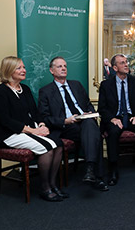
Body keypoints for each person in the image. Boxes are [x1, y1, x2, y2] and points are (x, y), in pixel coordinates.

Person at [0, 56, 67, 202]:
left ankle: (52, 184)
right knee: (47, 148)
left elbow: (36, 113)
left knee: (59, 144)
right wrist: (33, 131)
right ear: (9, 70)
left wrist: (42, 125)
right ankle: (45, 188)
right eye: (19, 68)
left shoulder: (24, 89)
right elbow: (5, 120)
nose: (23, 70)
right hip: (10, 134)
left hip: (29, 130)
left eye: (23, 67)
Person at [38, 57, 108, 191]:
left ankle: (90, 171)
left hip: (84, 122)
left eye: (65, 66)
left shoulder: (76, 85)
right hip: (65, 126)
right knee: (95, 134)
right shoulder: (46, 91)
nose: (63, 68)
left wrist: (90, 114)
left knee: (90, 125)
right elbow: (45, 117)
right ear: (51, 71)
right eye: (59, 66)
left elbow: (88, 105)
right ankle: (95, 175)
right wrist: (65, 120)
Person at [98, 54, 135, 183]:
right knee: (112, 133)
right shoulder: (106, 85)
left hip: (131, 118)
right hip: (115, 118)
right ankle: (113, 170)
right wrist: (112, 119)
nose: (126, 65)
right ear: (114, 67)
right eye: (122, 63)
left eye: (126, 62)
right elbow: (102, 108)